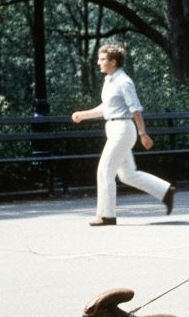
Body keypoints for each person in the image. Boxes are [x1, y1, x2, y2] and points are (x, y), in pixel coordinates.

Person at [71, 43, 175, 226]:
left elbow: (135, 108)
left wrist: (143, 133)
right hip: (114, 129)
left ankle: (107, 216)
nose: (98, 62)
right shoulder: (109, 80)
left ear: (113, 61)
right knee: (127, 175)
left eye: (102, 59)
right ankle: (165, 191)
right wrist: (83, 114)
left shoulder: (123, 81)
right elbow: (107, 108)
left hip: (123, 130)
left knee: (104, 171)